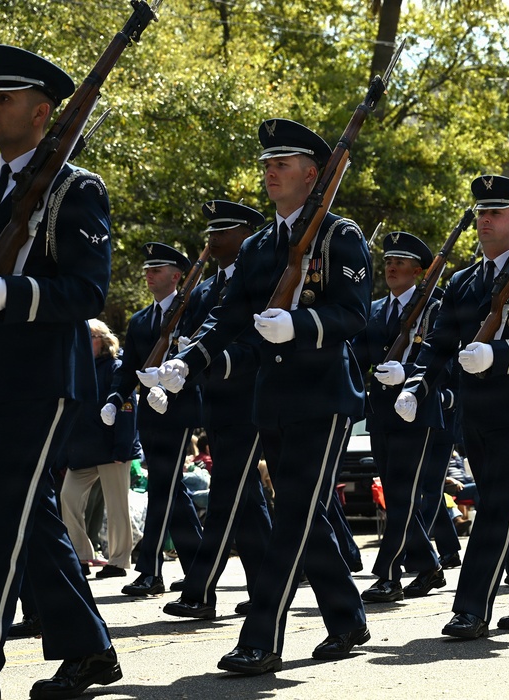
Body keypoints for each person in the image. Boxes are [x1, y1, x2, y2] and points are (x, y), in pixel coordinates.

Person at [155, 118, 371, 672]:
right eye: (267, 165)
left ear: (312, 173)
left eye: (283, 164)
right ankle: (346, 617)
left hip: (323, 397)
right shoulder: (257, 246)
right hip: (270, 398)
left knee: (295, 514)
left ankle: (262, 637)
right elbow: (227, 319)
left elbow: (353, 316)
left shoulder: (339, 236)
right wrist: (188, 360)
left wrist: (300, 325)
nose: (271, 172)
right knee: (306, 512)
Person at [0, 44, 122, 698]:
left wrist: (8, 295)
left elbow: (86, 292)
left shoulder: (76, 187)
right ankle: (89, 649)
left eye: (3, 98)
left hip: (38, 382)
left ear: (42, 112)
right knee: (28, 519)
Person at [395, 174, 509, 638]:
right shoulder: (465, 281)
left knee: (495, 509)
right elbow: (440, 342)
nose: (485, 220)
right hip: (475, 411)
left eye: (496, 213)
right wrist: (416, 385)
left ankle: (471, 607)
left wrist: (498, 354)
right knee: (500, 507)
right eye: (481, 213)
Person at [162, 199, 273, 621]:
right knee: (246, 498)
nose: (213, 238)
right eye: (212, 230)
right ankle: (265, 587)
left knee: (228, 494)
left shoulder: (260, 281)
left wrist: (216, 361)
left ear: (246, 235)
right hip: (217, 401)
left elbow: (256, 343)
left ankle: (200, 591)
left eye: (224, 229)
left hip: (248, 397)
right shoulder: (206, 289)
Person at [104, 242, 205, 596]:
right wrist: (115, 399)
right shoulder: (141, 320)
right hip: (149, 411)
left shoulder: (193, 312)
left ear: (177, 276)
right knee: (170, 487)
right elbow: (129, 368)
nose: (149, 275)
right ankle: (196, 565)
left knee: (163, 487)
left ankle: (150, 570)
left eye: (157, 270)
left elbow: (200, 359)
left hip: (179, 409)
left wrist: (170, 384)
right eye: (147, 270)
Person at [352, 230, 447, 602]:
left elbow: (444, 357)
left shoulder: (435, 307)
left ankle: (388, 574)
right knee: (395, 495)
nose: (392, 267)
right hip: (380, 412)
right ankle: (428, 565)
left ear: (420, 270)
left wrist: (409, 373)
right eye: (389, 261)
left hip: (417, 411)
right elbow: (357, 353)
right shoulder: (375, 309)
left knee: (405, 493)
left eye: (401, 262)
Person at [61, 319, 140, 579]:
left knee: (117, 507)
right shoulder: (76, 368)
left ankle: (118, 563)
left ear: (103, 341)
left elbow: (127, 409)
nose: (84, 340)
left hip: (112, 450)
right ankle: (82, 555)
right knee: (67, 499)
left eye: (90, 335)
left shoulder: (116, 367)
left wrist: (122, 448)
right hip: (82, 451)